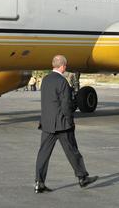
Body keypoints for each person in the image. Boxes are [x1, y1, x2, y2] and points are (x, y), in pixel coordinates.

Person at [34, 55, 97, 193]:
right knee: (72, 151)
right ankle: (82, 178)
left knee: (43, 153)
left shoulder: (45, 80)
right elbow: (66, 105)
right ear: (62, 66)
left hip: (47, 123)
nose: (66, 68)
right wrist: (70, 121)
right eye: (65, 66)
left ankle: (39, 183)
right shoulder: (62, 82)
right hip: (62, 124)